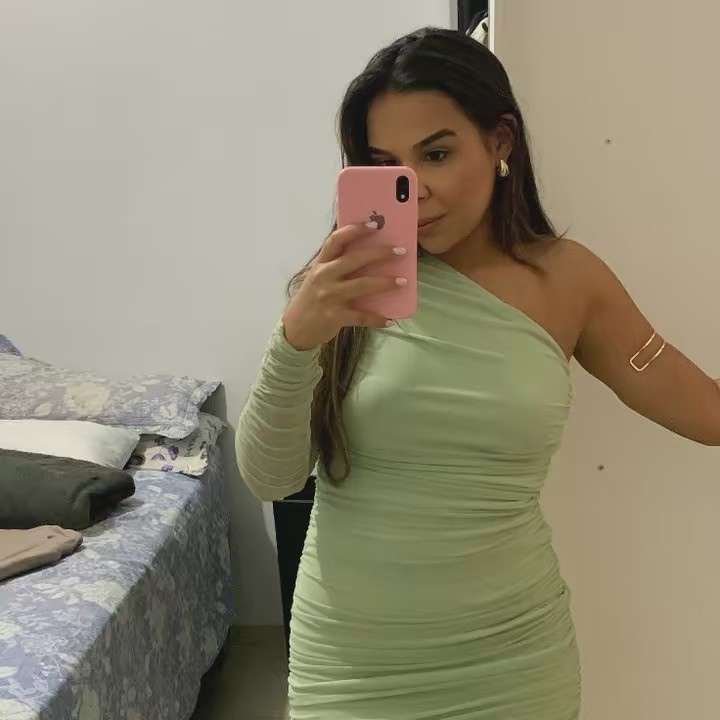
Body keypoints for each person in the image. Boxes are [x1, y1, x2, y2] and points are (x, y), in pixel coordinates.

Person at [236, 27, 720, 720]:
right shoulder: (340, 284)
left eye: (436, 154)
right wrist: (295, 338)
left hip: (513, 661)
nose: (415, 189)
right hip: (353, 661)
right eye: (387, 165)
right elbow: (270, 477)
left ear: (500, 142)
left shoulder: (569, 281)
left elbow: (705, 411)